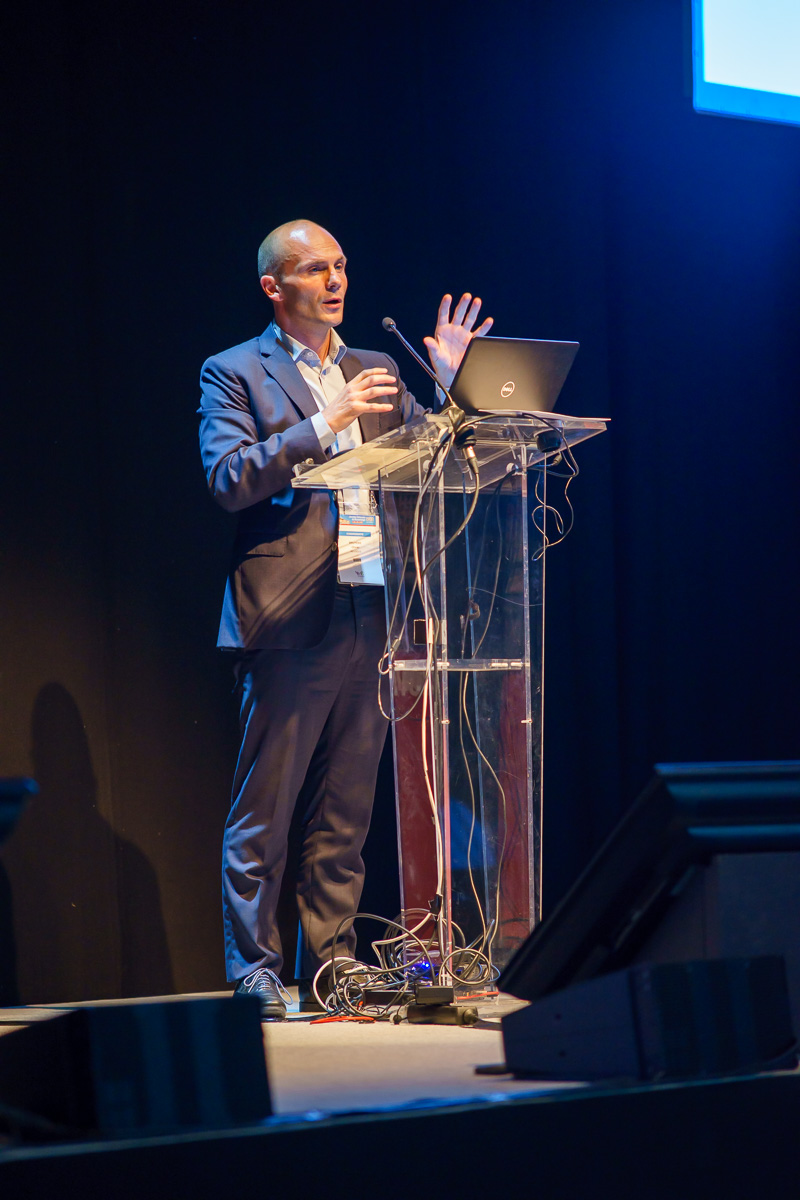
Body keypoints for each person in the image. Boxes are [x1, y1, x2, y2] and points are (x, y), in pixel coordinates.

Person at [198, 219, 492, 1018]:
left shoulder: (376, 367)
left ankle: (332, 965)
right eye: (315, 269)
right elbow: (228, 477)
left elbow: (434, 458)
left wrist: (450, 390)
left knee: (346, 811)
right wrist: (326, 422)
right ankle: (254, 970)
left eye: (341, 266)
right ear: (274, 286)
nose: (335, 282)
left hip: (375, 603)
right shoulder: (234, 370)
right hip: (289, 612)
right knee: (267, 808)